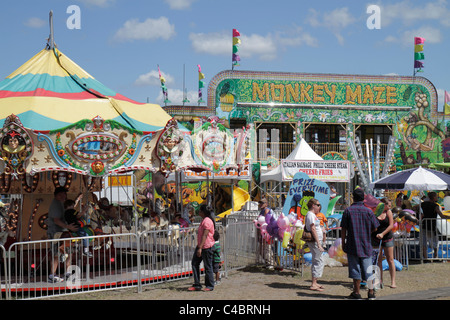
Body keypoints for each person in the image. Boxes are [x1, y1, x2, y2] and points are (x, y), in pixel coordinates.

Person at [341, 188, 379, 300]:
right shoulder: (369, 211)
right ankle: (371, 292)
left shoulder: (348, 211)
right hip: (366, 244)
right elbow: (375, 227)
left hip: (352, 244)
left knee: (355, 269)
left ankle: (356, 293)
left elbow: (343, 229)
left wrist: (343, 243)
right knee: (368, 269)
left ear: (353, 197)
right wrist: (368, 232)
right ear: (363, 198)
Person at [47, 187, 79, 283]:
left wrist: (77, 199)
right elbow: (56, 220)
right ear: (56, 195)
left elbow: (70, 208)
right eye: (60, 194)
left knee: (69, 252)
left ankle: (67, 272)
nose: (63, 196)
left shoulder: (62, 203)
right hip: (56, 233)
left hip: (64, 233)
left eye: (64, 194)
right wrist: (68, 226)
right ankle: (52, 275)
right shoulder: (55, 205)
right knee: (56, 254)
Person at [188, 204, 215, 291]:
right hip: (200, 245)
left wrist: (200, 248)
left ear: (203, 212)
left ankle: (210, 285)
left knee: (208, 266)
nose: (198, 212)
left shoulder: (207, 221)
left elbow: (205, 235)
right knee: (194, 263)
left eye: (200, 210)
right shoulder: (204, 220)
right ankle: (197, 284)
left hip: (206, 246)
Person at [373, 198, 396, 289]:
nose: (389, 207)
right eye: (388, 205)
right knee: (378, 260)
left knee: (390, 259)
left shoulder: (388, 212)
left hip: (387, 238)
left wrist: (382, 234)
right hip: (375, 239)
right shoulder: (375, 212)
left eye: (390, 205)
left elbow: (391, 225)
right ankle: (380, 280)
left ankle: (393, 281)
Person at [421, 192, 450, 259]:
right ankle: (435, 256)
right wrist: (448, 217)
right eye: (436, 196)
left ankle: (425, 257)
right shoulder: (435, 206)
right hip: (432, 226)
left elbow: (414, 207)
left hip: (424, 224)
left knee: (424, 242)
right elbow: (441, 215)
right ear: (434, 197)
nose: (437, 197)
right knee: (435, 241)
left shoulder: (423, 204)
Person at [305, 198, 325, 291]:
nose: (319, 206)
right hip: (315, 241)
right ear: (313, 205)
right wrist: (318, 243)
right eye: (318, 205)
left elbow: (316, 227)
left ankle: (315, 282)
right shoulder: (310, 215)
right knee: (317, 260)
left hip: (317, 240)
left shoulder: (313, 215)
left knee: (319, 260)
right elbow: (312, 229)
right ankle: (313, 283)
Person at [258, 198, 275, 270]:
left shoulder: (266, 210)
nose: (261, 204)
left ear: (266, 204)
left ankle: (270, 263)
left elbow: (266, 221)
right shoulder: (262, 211)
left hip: (267, 233)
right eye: (260, 203)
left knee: (267, 248)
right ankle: (267, 262)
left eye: (262, 203)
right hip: (264, 232)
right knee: (263, 248)